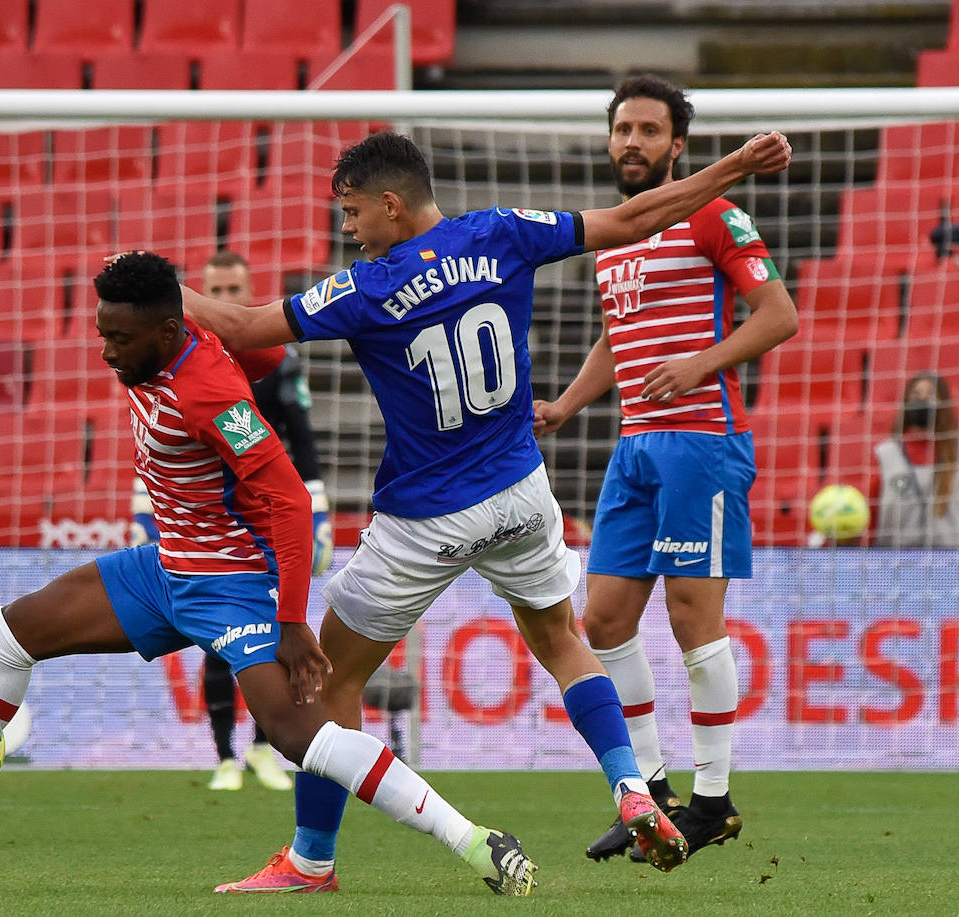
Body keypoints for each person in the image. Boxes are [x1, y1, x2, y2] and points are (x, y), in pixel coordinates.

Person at [178, 125, 791, 891]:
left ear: (391, 206)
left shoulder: (366, 287)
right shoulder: (504, 231)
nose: (347, 230)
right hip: (522, 492)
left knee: (325, 683)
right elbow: (635, 220)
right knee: (564, 638)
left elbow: (239, 327)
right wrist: (735, 164)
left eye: (352, 213)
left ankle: (311, 858)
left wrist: (156, 287)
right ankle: (632, 784)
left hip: (427, 516)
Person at [0, 252, 540, 898]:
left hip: (229, 579)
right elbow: (259, 348)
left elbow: (291, 500)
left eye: (121, 338)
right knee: (11, 632)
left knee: (298, 736)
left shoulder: (209, 394)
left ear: (168, 330)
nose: (107, 350)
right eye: (102, 333)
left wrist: (293, 621)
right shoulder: (163, 347)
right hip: (165, 564)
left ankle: (476, 840)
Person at [532, 74, 799, 863]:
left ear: (677, 145)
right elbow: (619, 335)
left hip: (701, 440)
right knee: (605, 619)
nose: (633, 143)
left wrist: (699, 365)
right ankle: (652, 794)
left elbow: (779, 315)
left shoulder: (717, 213)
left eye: (650, 130)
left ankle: (715, 799)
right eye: (623, 130)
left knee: (692, 619)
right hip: (635, 444)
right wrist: (569, 405)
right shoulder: (616, 232)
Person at [128, 250, 331, 793]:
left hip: (257, 519)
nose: (225, 298)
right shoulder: (176, 350)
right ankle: (224, 755)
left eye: (234, 288)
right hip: (198, 519)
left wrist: (320, 502)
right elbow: (159, 439)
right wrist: (140, 506)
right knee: (216, 639)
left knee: (258, 638)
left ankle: (265, 749)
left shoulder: (263, 357)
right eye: (213, 288)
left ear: (247, 288)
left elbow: (300, 437)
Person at [873, 370, 959, 548]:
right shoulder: (885, 453)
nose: (922, 400)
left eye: (930, 394)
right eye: (916, 394)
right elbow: (871, 510)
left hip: (952, 561)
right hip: (896, 559)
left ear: (944, 403)